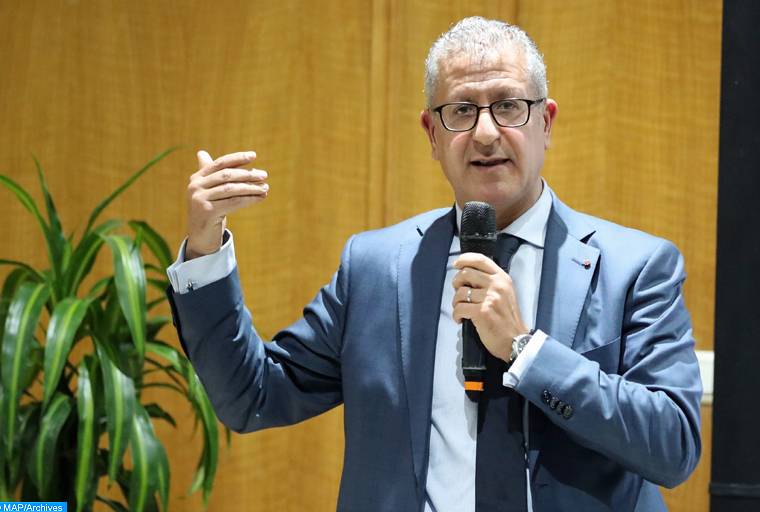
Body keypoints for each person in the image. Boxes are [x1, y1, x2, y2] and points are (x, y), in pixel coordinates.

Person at [166, 17, 702, 512]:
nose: (486, 133)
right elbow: (253, 396)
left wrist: (526, 350)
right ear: (431, 134)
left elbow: (673, 447)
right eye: (461, 111)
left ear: (546, 122)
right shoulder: (376, 269)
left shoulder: (635, 267)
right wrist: (205, 249)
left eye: (508, 106)